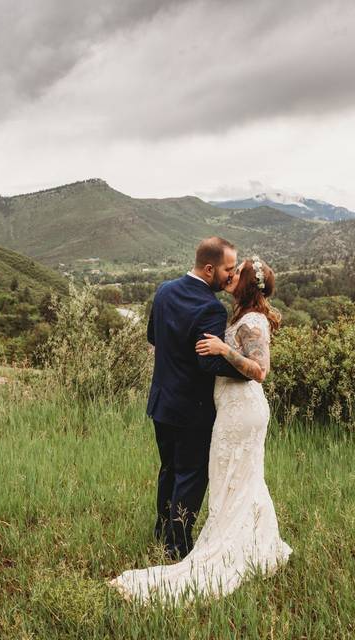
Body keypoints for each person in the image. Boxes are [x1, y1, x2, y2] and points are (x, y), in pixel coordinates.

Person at [109, 247, 291, 603]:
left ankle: (181, 536)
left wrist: (222, 351)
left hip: (199, 405)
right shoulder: (216, 309)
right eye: (229, 269)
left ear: (246, 285)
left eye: (235, 272)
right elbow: (203, 362)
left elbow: (260, 371)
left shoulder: (167, 291)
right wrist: (209, 357)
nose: (230, 276)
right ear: (211, 269)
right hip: (200, 407)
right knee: (202, 475)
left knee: (208, 475)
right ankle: (177, 543)